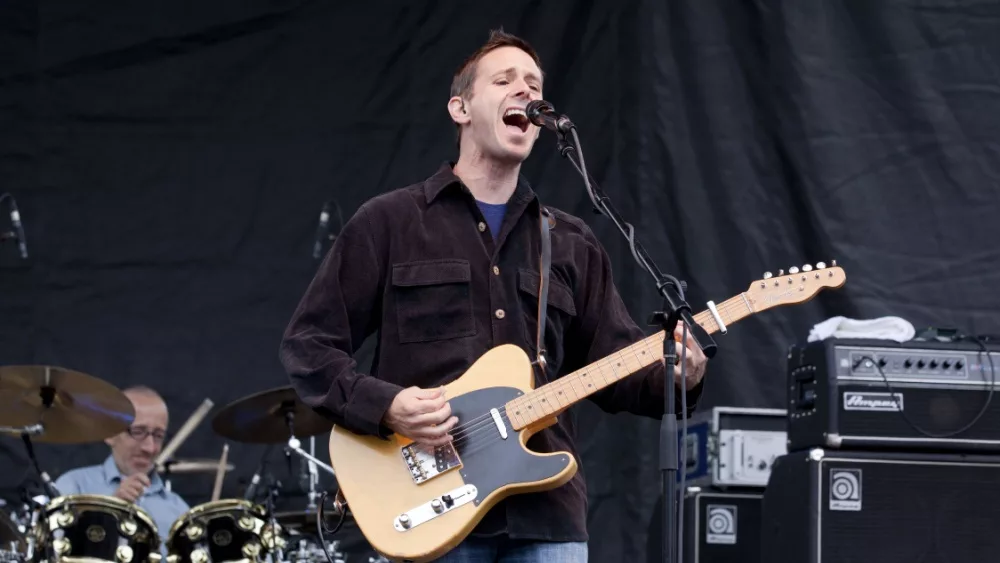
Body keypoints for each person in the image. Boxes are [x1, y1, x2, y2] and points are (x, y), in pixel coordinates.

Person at [279, 29, 709, 562]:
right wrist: (387, 405)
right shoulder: (389, 222)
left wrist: (677, 374)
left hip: (545, 516)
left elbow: (617, 370)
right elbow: (308, 345)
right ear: (459, 108)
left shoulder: (570, 241)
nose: (524, 93)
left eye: (534, 84)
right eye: (504, 80)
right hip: (429, 509)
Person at [54, 385, 189, 548]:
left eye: (158, 435)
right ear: (110, 434)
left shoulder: (179, 509)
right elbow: (57, 551)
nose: (150, 447)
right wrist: (111, 510)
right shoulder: (74, 486)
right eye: (138, 431)